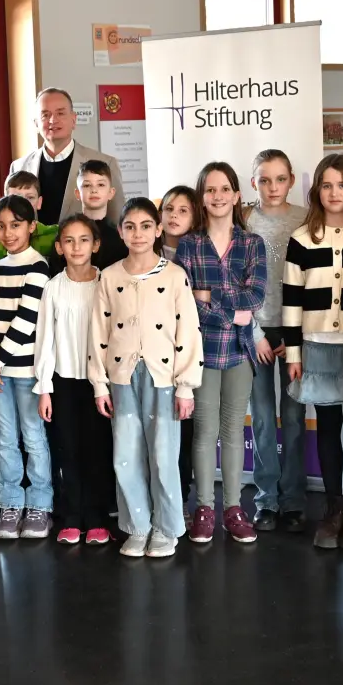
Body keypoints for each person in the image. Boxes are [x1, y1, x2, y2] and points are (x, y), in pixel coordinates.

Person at [93, 198, 203, 558]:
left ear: (158, 230)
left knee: (163, 455)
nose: (137, 233)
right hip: (123, 377)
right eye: (129, 226)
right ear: (121, 231)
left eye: (145, 226)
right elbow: (98, 333)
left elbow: (188, 331)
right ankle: (137, 526)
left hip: (163, 378)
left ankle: (166, 528)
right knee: (125, 455)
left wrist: (186, 386)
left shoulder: (173, 275)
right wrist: (99, 383)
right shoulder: (109, 277)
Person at [282, 155, 343, 551]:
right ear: (317, 190)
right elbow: (291, 299)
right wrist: (293, 353)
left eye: (342, 184)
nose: (335, 192)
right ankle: (334, 509)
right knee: (328, 428)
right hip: (317, 346)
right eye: (327, 185)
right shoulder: (303, 238)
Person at [177, 162, 267, 545]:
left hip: (239, 352)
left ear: (235, 194)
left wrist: (210, 297)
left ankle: (233, 508)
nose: (217, 196)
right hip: (200, 352)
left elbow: (257, 297)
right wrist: (232, 311)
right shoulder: (189, 244)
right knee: (204, 432)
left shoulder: (252, 243)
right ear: (202, 197)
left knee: (232, 432)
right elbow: (185, 302)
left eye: (224, 189)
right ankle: (204, 509)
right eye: (209, 190)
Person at [0, 194, 54, 541]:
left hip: (25, 372)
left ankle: (40, 503)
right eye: (2, 226)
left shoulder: (39, 267)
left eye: (16, 225)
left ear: (31, 227)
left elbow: (25, 321)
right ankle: (11, 502)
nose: (8, 233)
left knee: (34, 438)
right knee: (5, 439)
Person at [35, 215, 114, 546]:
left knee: (97, 451)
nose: (77, 246)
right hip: (64, 383)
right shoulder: (53, 288)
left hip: (99, 384)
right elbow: (45, 340)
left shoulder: (107, 283)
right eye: (69, 240)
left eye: (84, 239)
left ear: (96, 245)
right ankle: (71, 517)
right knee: (67, 451)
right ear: (59, 247)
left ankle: (97, 517)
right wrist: (44, 388)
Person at [245, 150, 309, 533]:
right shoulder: (243, 221)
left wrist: (292, 333)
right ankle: (266, 499)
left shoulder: (305, 219)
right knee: (264, 419)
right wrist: (254, 333)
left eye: (280, 179)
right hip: (255, 331)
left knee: (296, 417)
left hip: (293, 330)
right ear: (253, 183)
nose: (272, 187)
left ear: (290, 180)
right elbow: (235, 279)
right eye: (264, 180)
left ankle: (294, 500)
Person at [7, 87, 124, 225]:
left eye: (60, 113)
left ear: (73, 120)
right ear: (36, 124)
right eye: (45, 115)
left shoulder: (105, 163)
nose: (52, 120)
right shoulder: (19, 166)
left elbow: (118, 221)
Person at [159, 183, 202, 506]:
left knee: (186, 428)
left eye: (182, 210)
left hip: (189, 353)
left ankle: (183, 497)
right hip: (154, 354)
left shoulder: (199, 252)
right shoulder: (146, 249)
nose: (174, 216)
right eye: (169, 209)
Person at [0, 171, 58, 263]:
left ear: (39, 202)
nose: (24, 204)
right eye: (15, 197)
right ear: (5, 202)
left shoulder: (54, 235)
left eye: (30, 197)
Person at [73, 159, 125, 270]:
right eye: (87, 185)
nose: (94, 190)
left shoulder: (120, 236)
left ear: (111, 193)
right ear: (77, 193)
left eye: (100, 184)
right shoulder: (68, 232)